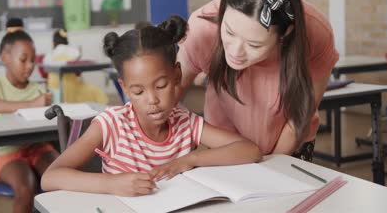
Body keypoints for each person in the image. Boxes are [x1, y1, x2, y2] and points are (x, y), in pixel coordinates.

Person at [41, 16, 261, 196]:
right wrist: (111, 184)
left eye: (161, 85)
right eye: (138, 91)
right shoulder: (111, 125)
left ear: (177, 75)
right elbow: (50, 177)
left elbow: (250, 151)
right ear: (125, 89)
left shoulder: (186, 122)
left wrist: (190, 159)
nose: (152, 100)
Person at [177, 0, 339, 161]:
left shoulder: (314, 33)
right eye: (229, 32)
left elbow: (299, 117)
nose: (236, 51)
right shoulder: (203, 27)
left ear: (285, 34)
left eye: (254, 45)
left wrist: (271, 167)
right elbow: (170, 96)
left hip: (290, 142)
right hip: (227, 147)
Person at [0, 30, 59, 213]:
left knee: (61, 180)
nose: (30, 66)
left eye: (33, 60)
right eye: (23, 60)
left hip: (39, 147)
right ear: (5, 57)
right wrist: (31, 104)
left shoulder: (38, 89)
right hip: (9, 153)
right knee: (25, 188)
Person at [43, 28, 109, 104]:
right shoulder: (74, 52)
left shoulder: (49, 55)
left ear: (54, 42)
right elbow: (78, 73)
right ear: (66, 40)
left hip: (54, 91)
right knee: (97, 92)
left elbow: (45, 72)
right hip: (73, 89)